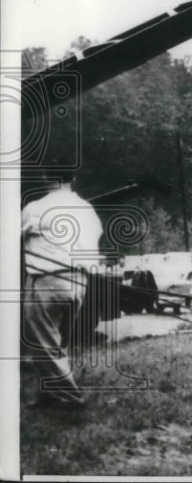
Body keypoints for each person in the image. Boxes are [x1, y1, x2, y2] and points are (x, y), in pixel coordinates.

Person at [21, 166, 104, 410]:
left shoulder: (35, 208)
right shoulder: (87, 209)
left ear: (46, 177)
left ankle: (70, 398)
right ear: (74, 178)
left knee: (43, 342)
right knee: (58, 342)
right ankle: (48, 394)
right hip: (79, 281)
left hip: (47, 279)